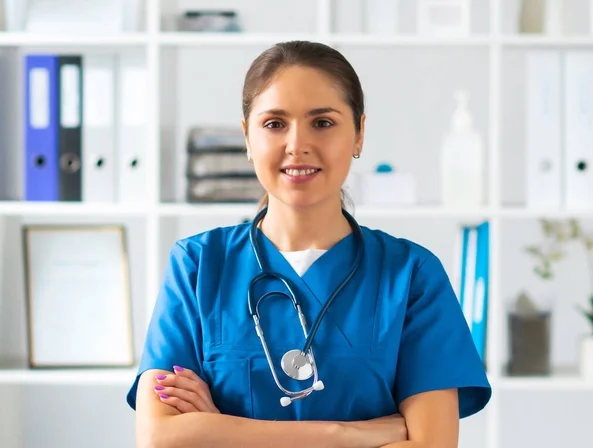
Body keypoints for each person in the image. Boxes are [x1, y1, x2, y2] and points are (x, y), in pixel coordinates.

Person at [126, 40, 491, 448]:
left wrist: (221, 431)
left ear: (359, 134)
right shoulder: (196, 266)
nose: (296, 144)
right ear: (248, 138)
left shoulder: (411, 276)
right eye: (274, 124)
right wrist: (346, 434)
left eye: (322, 123)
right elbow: (159, 438)